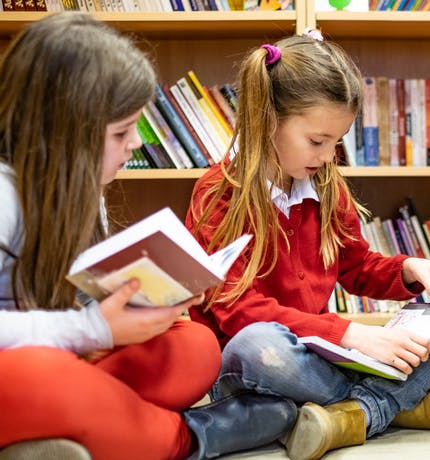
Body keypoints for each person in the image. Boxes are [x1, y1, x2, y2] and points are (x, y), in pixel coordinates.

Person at [0, 12, 296, 460]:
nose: (135, 144)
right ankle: (191, 436)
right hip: (27, 367)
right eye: (121, 132)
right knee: (38, 376)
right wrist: (92, 328)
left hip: (64, 354)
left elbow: (74, 303)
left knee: (194, 346)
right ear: (60, 134)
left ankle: (79, 431)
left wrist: (147, 305)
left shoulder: (79, 190)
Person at [185, 31, 430, 460]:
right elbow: (238, 312)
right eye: (317, 141)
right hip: (266, 357)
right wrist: (350, 334)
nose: (327, 157)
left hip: (327, 357)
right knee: (258, 344)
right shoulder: (218, 193)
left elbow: (356, 267)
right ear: (268, 119)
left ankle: (354, 411)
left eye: (336, 143)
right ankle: (393, 404)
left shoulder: (325, 184)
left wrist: (407, 271)